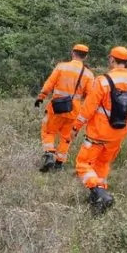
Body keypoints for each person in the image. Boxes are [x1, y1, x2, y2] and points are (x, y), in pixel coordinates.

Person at [71, 46, 127, 215]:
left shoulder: (102, 81)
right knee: (103, 164)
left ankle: (101, 194)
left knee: (83, 165)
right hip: (117, 135)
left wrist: (76, 127)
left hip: (97, 134)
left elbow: (88, 108)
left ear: (112, 59)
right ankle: (97, 200)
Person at [34, 44, 95, 173]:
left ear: (72, 53)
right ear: (86, 57)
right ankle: (59, 163)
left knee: (48, 131)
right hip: (74, 110)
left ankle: (49, 154)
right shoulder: (89, 74)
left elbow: (50, 83)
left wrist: (41, 96)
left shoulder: (61, 66)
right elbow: (90, 96)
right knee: (67, 137)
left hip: (56, 107)